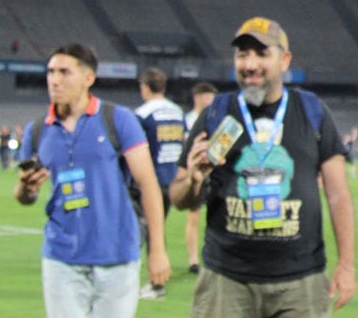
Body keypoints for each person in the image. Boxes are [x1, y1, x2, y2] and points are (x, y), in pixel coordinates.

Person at [170, 17, 356, 316]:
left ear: (284, 61)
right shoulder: (216, 114)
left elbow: (338, 195)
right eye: (242, 54)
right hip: (225, 280)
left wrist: (346, 266)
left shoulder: (312, 112)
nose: (250, 63)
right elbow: (178, 198)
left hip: (300, 283)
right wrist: (193, 180)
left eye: (261, 53)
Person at [14, 44, 171, 318]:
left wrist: (157, 250)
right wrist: (25, 189)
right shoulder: (38, 130)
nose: (55, 79)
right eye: (51, 71)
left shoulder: (118, 120)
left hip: (117, 256)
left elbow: (148, 184)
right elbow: (25, 198)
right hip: (61, 257)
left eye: (65, 72)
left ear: (88, 78)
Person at [133, 67, 185, 300]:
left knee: (145, 231)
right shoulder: (177, 111)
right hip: (171, 179)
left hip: (149, 181)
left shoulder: (143, 114)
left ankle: (155, 284)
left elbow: (137, 150)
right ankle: (155, 282)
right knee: (156, 229)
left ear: (145, 87)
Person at [182, 81, 218, 275]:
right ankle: (194, 259)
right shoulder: (186, 121)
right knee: (193, 217)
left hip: (215, 175)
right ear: (199, 98)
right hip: (195, 175)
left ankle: (213, 257)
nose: (212, 101)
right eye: (209, 97)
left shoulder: (217, 120)